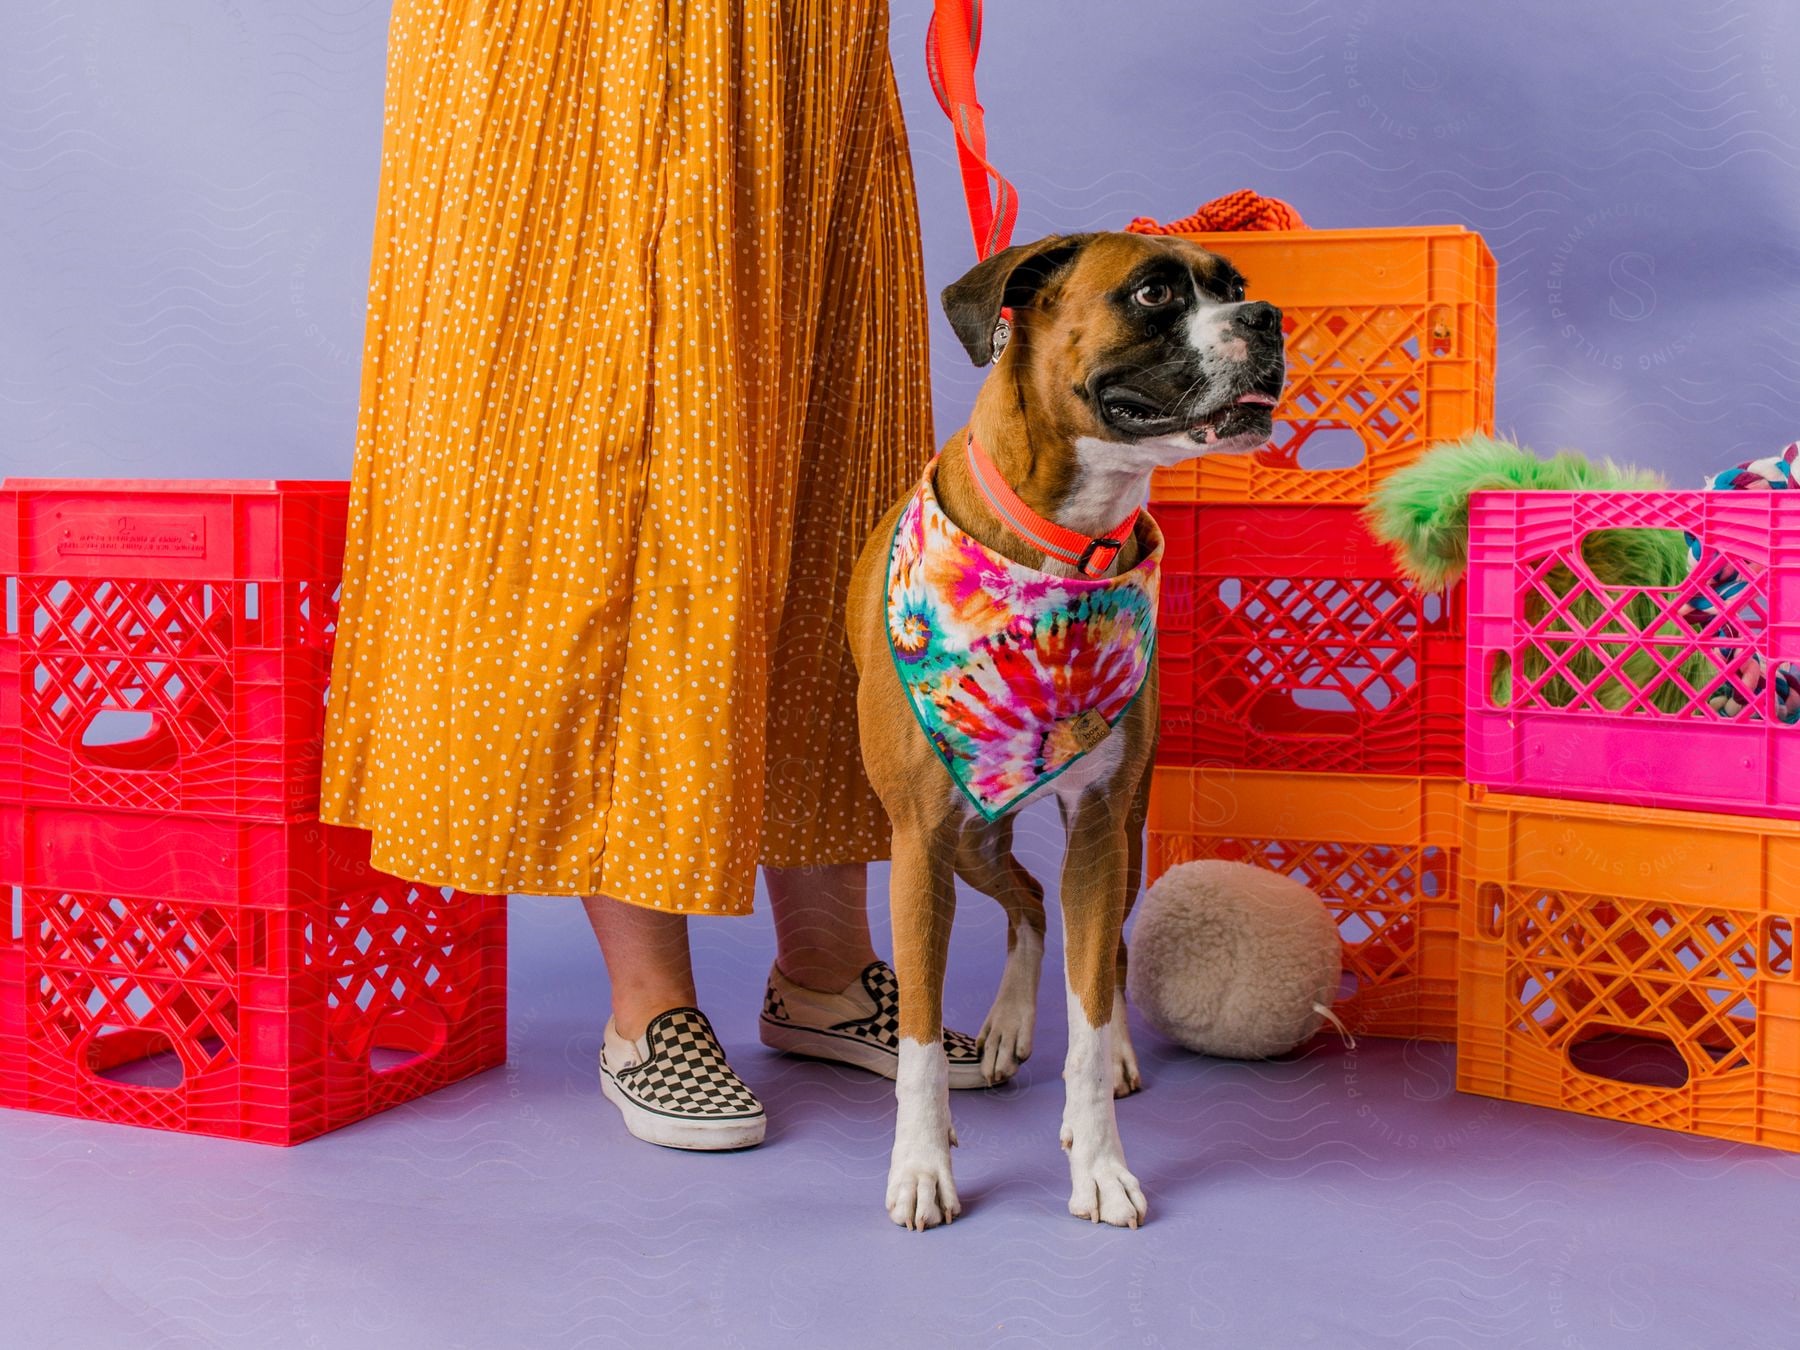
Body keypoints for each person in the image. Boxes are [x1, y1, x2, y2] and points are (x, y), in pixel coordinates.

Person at [318, 0, 985, 1149]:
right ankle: (648, 1007)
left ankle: (825, 973)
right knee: (625, 475)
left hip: (802, 39)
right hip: (588, 41)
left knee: (824, 469)